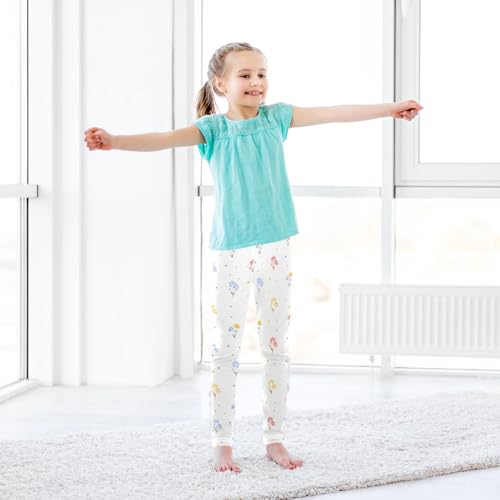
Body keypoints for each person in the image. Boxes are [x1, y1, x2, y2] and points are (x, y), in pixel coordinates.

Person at [83, 41, 423, 474]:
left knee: (275, 348)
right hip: (231, 249)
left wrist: (390, 109)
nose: (256, 82)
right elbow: (162, 140)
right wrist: (114, 141)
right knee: (225, 350)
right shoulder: (212, 129)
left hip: (276, 247)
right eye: (245, 75)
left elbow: (334, 112)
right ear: (221, 84)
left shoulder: (276, 118)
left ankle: (274, 438)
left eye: (261, 74)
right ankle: (222, 442)